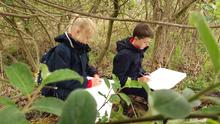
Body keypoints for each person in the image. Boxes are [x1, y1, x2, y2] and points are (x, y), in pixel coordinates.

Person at [41, 17, 101, 100]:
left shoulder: (81, 49)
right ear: (77, 32)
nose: (88, 41)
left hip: (76, 86)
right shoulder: (62, 50)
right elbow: (62, 79)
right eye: (87, 37)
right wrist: (88, 83)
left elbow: (85, 66)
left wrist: (94, 73)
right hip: (58, 91)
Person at [112, 23, 154, 101]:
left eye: (148, 42)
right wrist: (137, 80)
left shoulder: (138, 49)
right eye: (145, 42)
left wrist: (144, 73)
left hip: (135, 80)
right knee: (153, 93)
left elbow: (136, 67)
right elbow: (118, 79)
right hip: (126, 86)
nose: (147, 45)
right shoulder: (124, 55)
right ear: (136, 38)